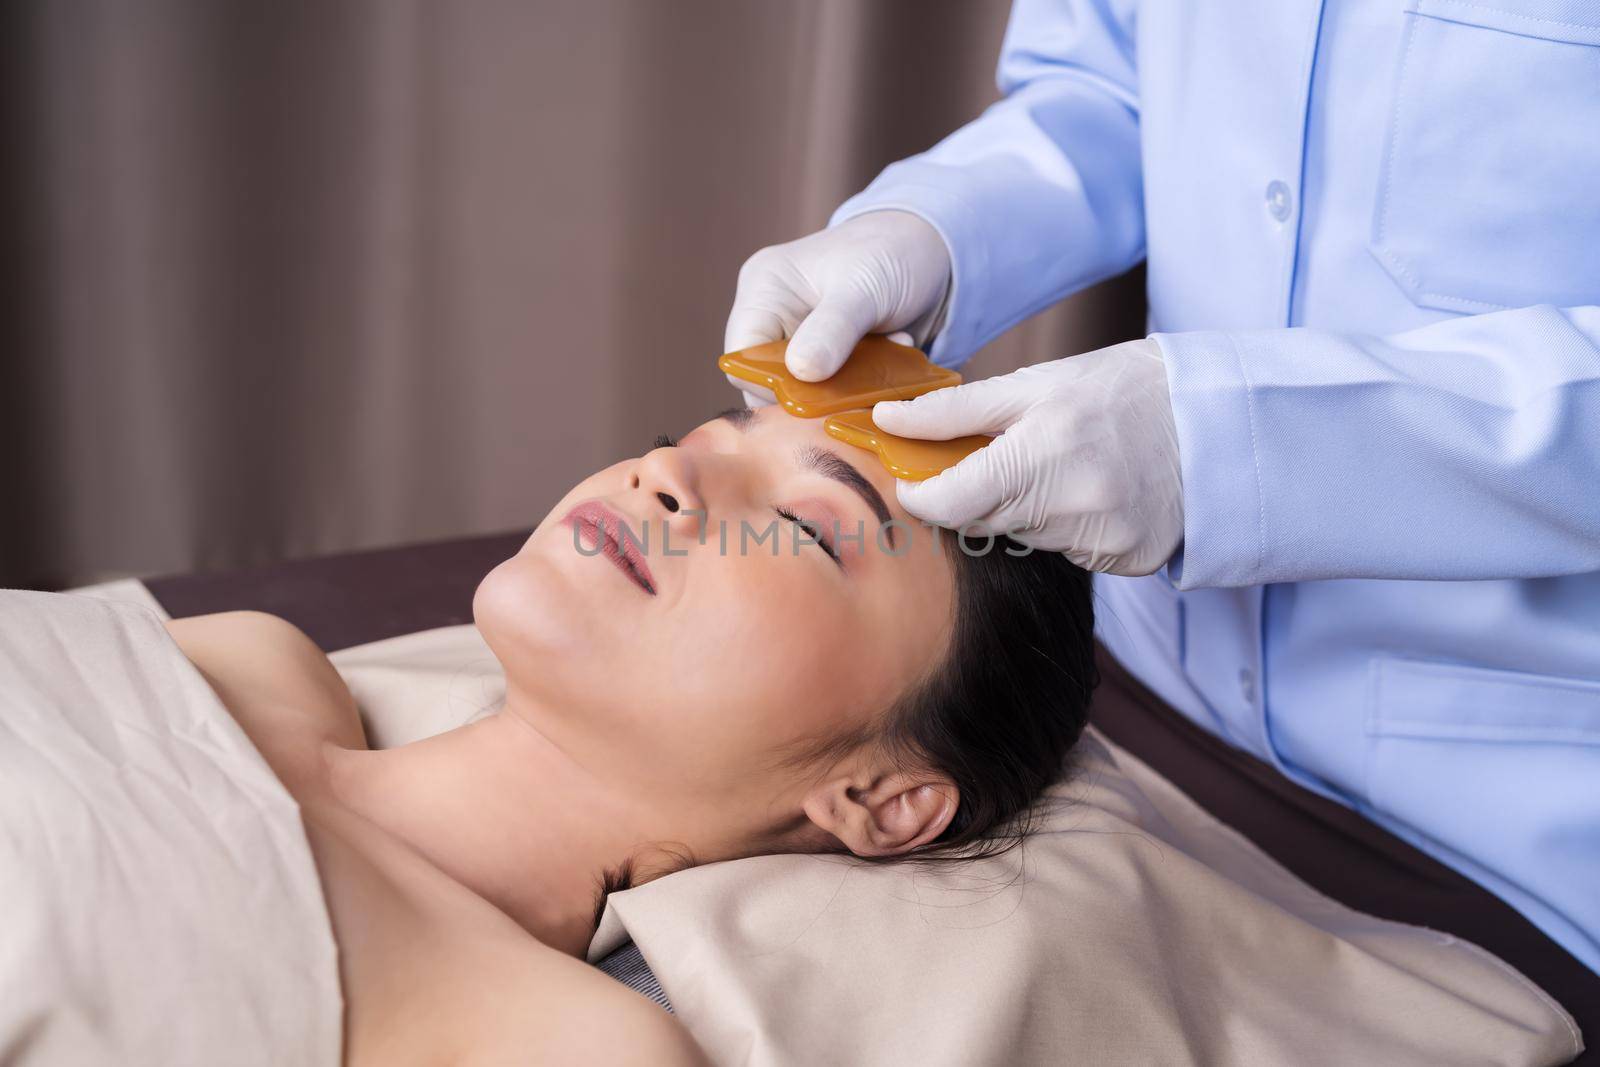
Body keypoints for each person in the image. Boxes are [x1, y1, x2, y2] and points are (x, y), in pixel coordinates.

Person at [724, 0, 1600, 976]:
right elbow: (1106, 87)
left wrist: (1231, 446)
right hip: (1139, 678)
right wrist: (932, 224)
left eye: (810, 526)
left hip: (1506, 822)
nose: (659, 475)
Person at [164, 403, 1096, 1063]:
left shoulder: (563, 1045)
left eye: (802, 528)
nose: (669, 473)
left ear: (881, 799)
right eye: (683, 441)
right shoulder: (252, 660)